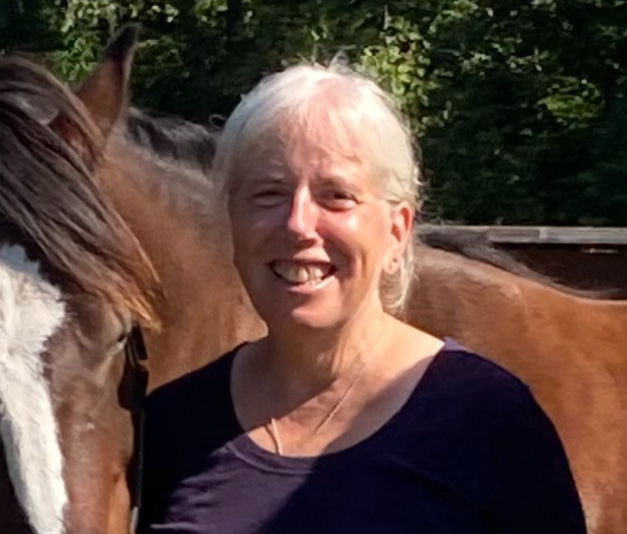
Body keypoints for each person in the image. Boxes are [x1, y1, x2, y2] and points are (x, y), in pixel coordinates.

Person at [138, 61, 586, 533]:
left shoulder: (487, 419)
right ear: (233, 225)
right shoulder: (171, 425)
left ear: (397, 233)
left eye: (336, 196)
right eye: (269, 194)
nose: (297, 223)